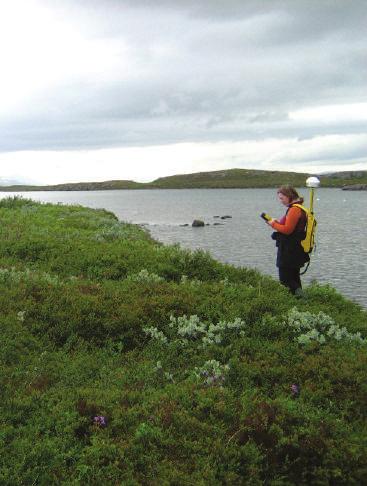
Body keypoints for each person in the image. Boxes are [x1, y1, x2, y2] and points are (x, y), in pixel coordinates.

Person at [267, 185, 309, 296]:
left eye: (282, 198)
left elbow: (287, 230)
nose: (280, 201)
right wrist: (277, 223)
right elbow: (289, 226)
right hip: (296, 249)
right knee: (294, 277)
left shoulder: (294, 209)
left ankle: (302, 298)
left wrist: (273, 224)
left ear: (289, 196)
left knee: (285, 279)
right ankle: (300, 301)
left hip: (289, 250)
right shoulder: (299, 207)